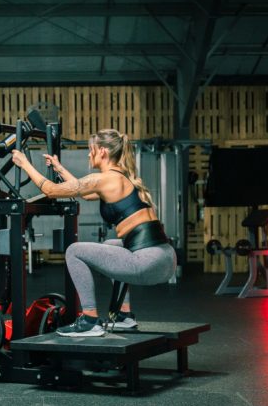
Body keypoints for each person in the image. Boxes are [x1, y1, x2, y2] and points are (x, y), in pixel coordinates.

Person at [11, 128, 177, 337]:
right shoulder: (119, 178)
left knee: (74, 251)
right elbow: (86, 193)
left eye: (91, 150)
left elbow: (51, 190)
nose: (89, 155)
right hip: (165, 259)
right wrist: (59, 168)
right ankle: (123, 316)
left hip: (146, 262)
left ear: (102, 152)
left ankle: (89, 320)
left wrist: (24, 163)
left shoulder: (105, 179)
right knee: (111, 245)